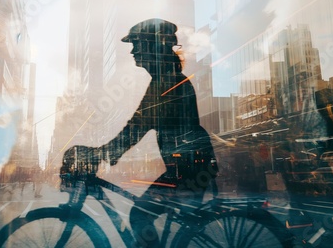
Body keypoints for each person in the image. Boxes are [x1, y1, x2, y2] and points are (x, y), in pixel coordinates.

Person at [65, 19, 218, 247]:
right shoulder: (163, 80)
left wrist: (104, 153)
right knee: (143, 215)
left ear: (154, 47)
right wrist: (106, 152)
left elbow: (138, 126)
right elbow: (138, 124)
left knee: (139, 215)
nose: (133, 51)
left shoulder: (168, 83)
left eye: (138, 44)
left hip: (191, 170)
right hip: (188, 167)